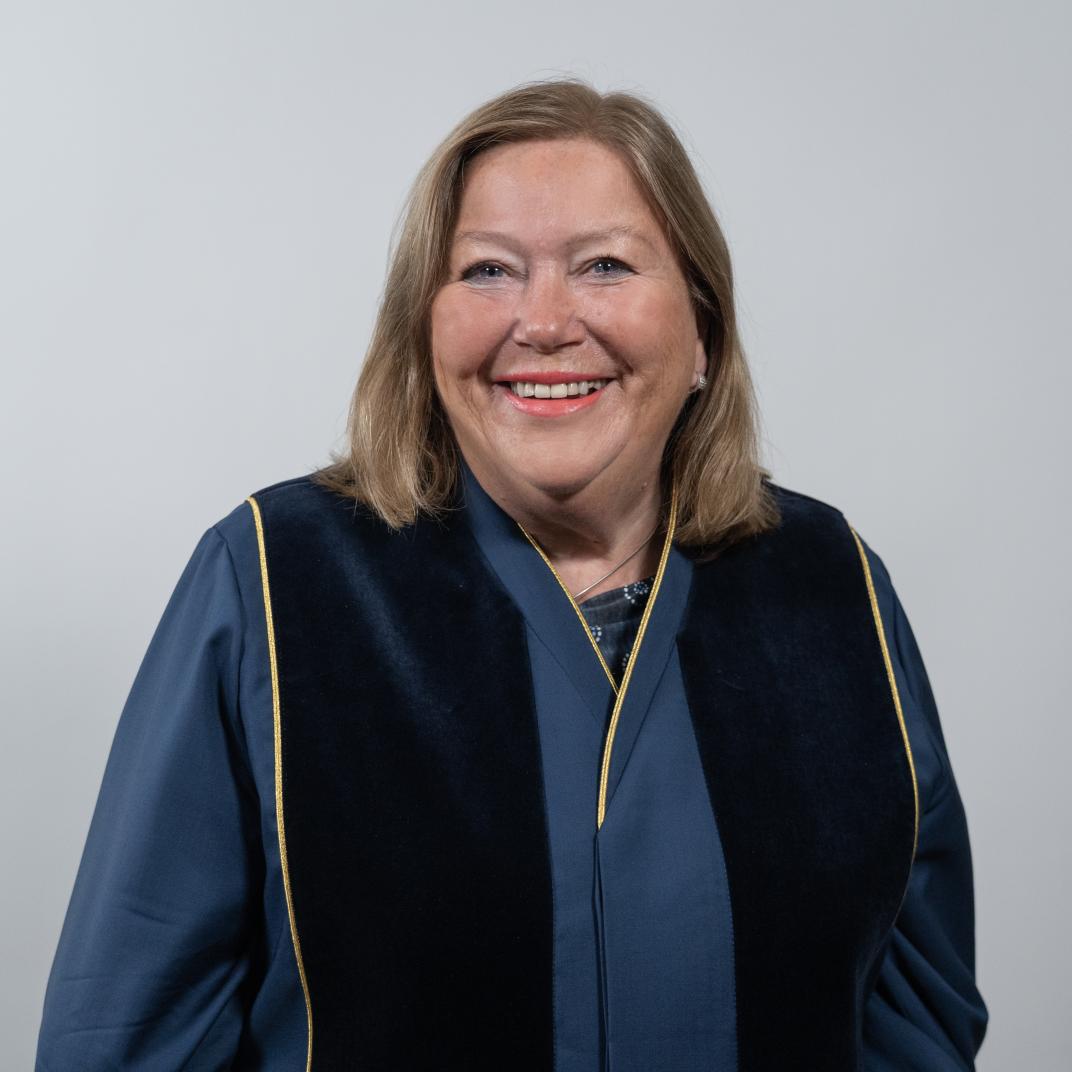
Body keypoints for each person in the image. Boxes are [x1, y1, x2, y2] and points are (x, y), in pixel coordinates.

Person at [35, 78, 988, 1071]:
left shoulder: (833, 589)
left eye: (604, 265)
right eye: (488, 270)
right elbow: (128, 1039)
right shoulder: (276, 585)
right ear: (425, 328)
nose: (543, 321)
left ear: (702, 331)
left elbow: (914, 1020)